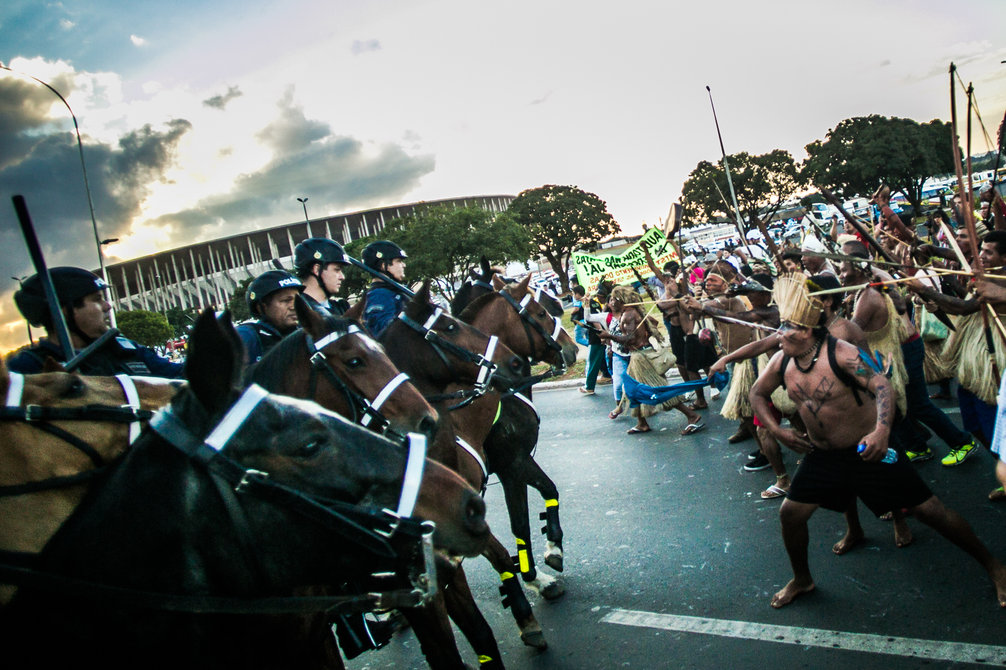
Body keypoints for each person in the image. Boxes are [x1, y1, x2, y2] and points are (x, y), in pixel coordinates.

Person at [750, 275, 1006, 609]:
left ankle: (995, 567)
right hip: (823, 456)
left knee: (930, 511)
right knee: (791, 514)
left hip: (868, 451)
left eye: (789, 327)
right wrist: (779, 430)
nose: (781, 333)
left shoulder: (842, 353)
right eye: (782, 325)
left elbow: (883, 386)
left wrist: (881, 433)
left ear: (809, 330)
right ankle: (802, 579)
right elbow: (757, 393)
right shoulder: (782, 359)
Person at [8, 267, 183, 378]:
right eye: (97, 299)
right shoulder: (27, 370)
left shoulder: (125, 350)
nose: (108, 306)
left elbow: (181, 375)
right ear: (63, 312)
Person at [597, 285, 704, 435]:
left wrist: (608, 336)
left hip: (641, 357)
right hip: (639, 356)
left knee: (659, 391)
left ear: (621, 299)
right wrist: (645, 334)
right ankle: (641, 423)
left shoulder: (628, 315)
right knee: (630, 390)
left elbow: (630, 338)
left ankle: (692, 416)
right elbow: (652, 323)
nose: (611, 301)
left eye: (614, 298)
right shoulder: (632, 312)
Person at [235, 270, 305, 364]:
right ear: (261, 307)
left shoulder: (307, 333)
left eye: (297, 300)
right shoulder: (248, 336)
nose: (294, 306)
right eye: (285, 300)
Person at [362, 240, 409, 338]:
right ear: (384, 265)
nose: (404, 265)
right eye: (399, 261)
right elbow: (387, 335)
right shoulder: (379, 295)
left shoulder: (396, 292)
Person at [293, 237, 351, 317]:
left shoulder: (341, 308)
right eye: (337, 270)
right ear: (317, 269)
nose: (342, 277)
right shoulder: (297, 314)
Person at [573, 285, 609, 395]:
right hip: (600, 333)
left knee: (593, 361)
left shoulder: (587, 304)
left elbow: (595, 319)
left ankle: (589, 387)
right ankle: (607, 375)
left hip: (596, 335)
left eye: (574, 294)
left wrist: (600, 333)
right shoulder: (595, 302)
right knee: (601, 357)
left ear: (578, 294)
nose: (574, 296)